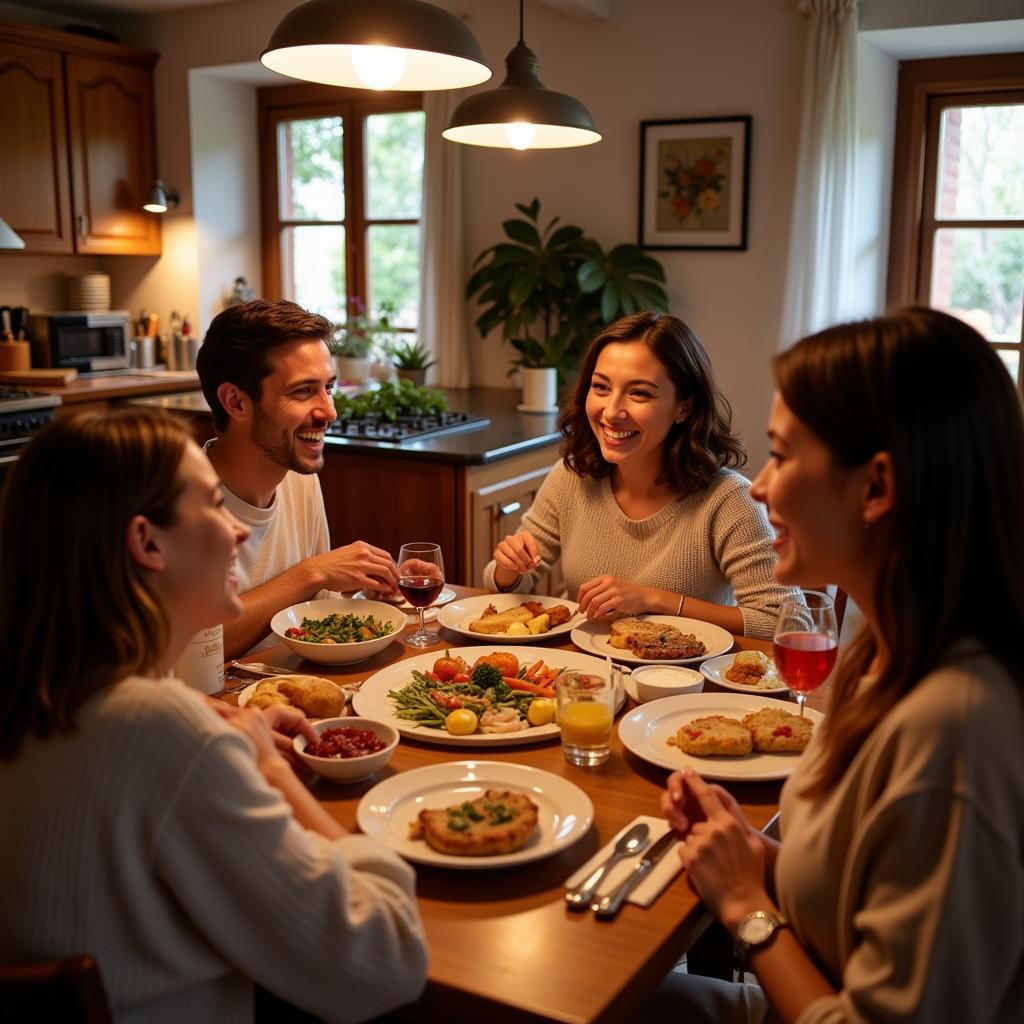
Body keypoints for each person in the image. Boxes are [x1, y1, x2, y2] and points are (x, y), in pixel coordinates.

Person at [0, 408, 428, 1023]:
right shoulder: (161, 733)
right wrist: (271, 773)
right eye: (210, 504)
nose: (237, 532)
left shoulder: (43, 696)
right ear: (147, 542)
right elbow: (386, 957)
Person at [659, 308, 1024, 1022]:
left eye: (783, 455)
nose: (759, 486)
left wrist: (745, 908)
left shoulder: (956, 730)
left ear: (878, 488)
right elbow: (856, 895)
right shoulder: (876, 652)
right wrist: (751, 855)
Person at [484, 311, 794, 639]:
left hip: (688, 684)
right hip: (583, 676)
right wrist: (509, 567)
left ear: (683, 408)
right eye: (601, 387)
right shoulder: (571, 477)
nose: (612, 411)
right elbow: (502, 584)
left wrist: (654, 599)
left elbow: (787, 623)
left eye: (639, 393)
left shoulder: (729, 499)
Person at [196, 299, 398, 658]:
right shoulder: (178, 506)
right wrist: (312, 573)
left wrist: (370, 586)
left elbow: (316, 609)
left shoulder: (298, 477)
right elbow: (197, 645)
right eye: (303, 391)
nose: (329, 412)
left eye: (329, 388)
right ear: (235, 402)